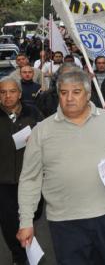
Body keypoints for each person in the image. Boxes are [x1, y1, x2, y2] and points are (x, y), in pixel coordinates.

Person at [17, 69, 105, 264]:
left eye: (76, 92)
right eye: (64, 93)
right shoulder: (41, 132)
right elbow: (30, 179)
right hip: (65, 223)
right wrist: (26, 223)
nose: (69, 98)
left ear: (88, 94)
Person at [0, 77, 43, 265]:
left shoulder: (32, 112)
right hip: (5, 181)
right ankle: (19, 256)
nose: (7, 96)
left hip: (31, 178)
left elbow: (46, 136)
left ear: (19, 93)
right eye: (2, 92)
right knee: (9, 223)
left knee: (34, 215)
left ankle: (28, 246)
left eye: (11, 91)